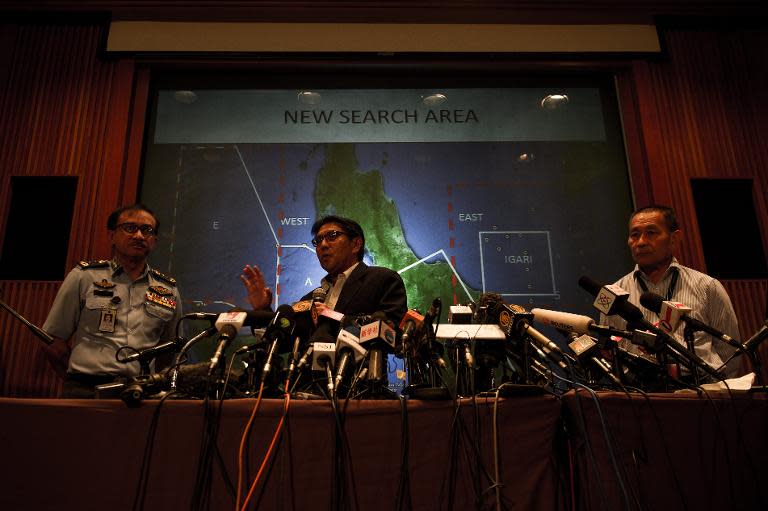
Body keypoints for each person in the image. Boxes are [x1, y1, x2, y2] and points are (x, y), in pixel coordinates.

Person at [43, 204, 182, 397]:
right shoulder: (84, 277)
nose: (139, 236)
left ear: (154, 241)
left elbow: (169, 352)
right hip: (86, 390)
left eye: (147, 230)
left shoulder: (168, 290)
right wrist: (77, 380)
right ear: (112, 236)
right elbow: (53, 341)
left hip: (140, 393)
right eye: (130, 228)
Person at [601, 205, 741, 379]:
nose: (641, 242)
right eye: (634, 235)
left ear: (674, 239)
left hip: (702, 391)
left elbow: (730, 355)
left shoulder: (707, 286)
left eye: (651, 233)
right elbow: (610, 354)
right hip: (641, 394)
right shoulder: (612, 295)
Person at [241, 215, 407, 327]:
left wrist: (335, 317)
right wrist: (262, 310)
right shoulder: (310, 299)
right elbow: (285, 339)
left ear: (356, 244)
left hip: (359, 377)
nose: (323, 245)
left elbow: (391, 330)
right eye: (318, 240)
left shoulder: (383, 280)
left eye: (332, 236)